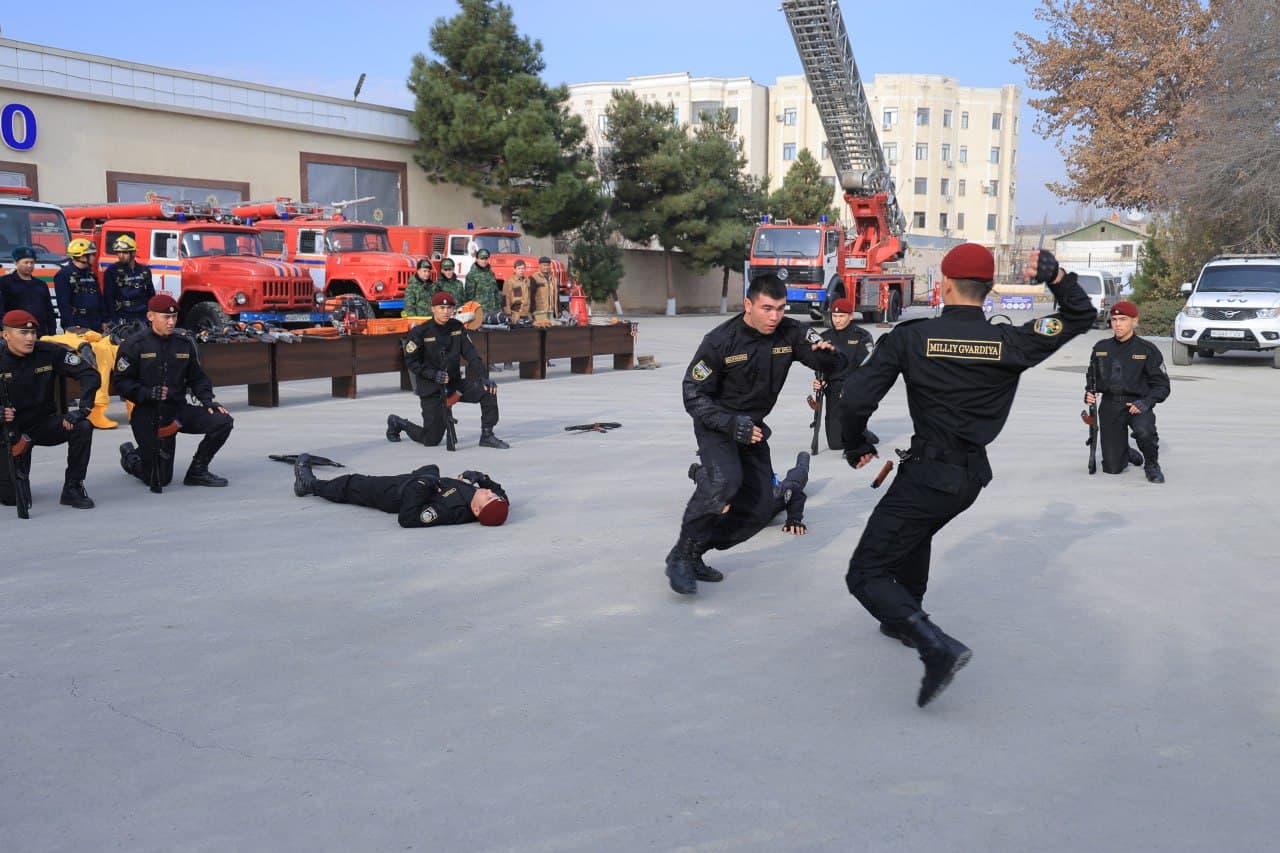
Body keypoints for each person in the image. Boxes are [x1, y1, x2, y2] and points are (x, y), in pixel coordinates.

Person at [837, 245, 1096, 708]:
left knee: (865, 573)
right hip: (969, 476)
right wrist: (1057, 280)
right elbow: (1079, 316)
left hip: (929, 474)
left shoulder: (911, 338)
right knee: (916, 532)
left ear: (945, 281)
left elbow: (855, 397)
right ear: (990, 288)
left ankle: (934, 645)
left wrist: (855, 443)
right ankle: (901, 617)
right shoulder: (1013, 342)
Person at [665, 273, 841, 595]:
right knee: (724, 482)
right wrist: (731, 424)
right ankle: (680, 555)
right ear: (748, 305)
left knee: (760, 509)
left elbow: (823, 359)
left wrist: (828, 356)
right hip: (717, 425)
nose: (774, 316)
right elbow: (692, 393)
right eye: (767, 308)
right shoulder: (720, 341)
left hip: (754, 428)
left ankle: (696, 551)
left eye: (781, 308)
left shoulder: (790, 332)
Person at [113, 293, 234, 488]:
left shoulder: (184, 343)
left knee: (223, 421)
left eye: (174, 317)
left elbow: (198, 377)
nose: (171, 322)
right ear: (151, 316)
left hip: (178, 411)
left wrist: (208, 400)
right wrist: (146, 393)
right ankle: (132, 458)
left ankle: (198, 471)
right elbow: (120, 382)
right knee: (159, 479)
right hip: (148, 413)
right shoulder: (134, 345)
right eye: (166, 317)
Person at [0, 309, 99, 509]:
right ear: (5, 335)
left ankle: (73, 488)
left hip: (42, 423)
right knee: (13, 499)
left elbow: (90, 374)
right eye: (23, 333)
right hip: (9, 429)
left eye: (32, 333)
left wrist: (83, 408)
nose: (29, 338)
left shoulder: (49, 352)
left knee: (82, 427)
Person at [386, 291, 509, 449]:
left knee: (488, 390)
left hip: (454, 385)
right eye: (441, 307)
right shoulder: (420, 332)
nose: (445, 311)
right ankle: (398, 423)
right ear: (433, 309)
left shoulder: (456, 327)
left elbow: (471, 353)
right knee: (431, 440)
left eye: (449, 308)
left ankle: (487, 435)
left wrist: (483, 376)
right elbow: (411, 362)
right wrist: (433, 375)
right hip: (432, 388)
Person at [292, 455, 510, 528]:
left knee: (353, 484)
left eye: (488, 496)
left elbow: (408, 518)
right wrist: (481, 478)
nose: (490, 492)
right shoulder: (484, 501)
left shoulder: (449, 510)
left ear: (476, 509)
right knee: (432, 467)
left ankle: (310, 485)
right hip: (423, 480)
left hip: (398, 494)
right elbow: (503, 498)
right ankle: (424, 475)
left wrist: (422, 484)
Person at [1085, 300, 1170, 483]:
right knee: (1112, 468)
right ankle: (1124, 450)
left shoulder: (1147, 350)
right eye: (1114, 319)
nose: (1117, 324)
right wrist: (1089, 392)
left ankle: (1152, 464)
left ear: (1134, 321)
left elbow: (1162, 386)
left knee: (1144, 431)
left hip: (1137, 404)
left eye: (1123, 319)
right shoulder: (1101, 348)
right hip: (1110, 405)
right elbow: (1092, 378)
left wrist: (1146, 402)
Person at [50, 238, 120, 429]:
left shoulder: (90, 274)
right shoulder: (63, 276)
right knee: (91, 364)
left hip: (95, 325)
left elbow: (98, 299)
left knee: (109, 358)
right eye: (90, 254)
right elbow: (64, 305)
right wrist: (71, 327)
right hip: (77, 327)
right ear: (81, 255)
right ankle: (93, 409)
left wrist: (106, 321)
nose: (93, 257)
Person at [690, 450, 811, 535]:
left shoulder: (775, 496)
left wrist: (794, 519)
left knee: (797, 480)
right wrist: (696, 471)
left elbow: (795, 492)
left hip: (768, 490)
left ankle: (803, 461)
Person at [813, 298, 875, 450]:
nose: (837, 320)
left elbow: (866, 367)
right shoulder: (825, 337)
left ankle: (860, 430)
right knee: (836, 444)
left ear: (851, 316)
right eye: (835, 316)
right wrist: (819, 381)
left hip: (854, 388)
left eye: (841, 316)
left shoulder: (861, 336)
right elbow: (819, 363)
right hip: (833, 389)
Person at [0, 246, 57, 336]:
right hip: (17, 332)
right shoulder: (4, 282)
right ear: (16, 263)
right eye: (26, 262)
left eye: (32, 262)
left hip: (40, 332)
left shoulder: (41, 284)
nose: (29, 266)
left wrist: (52, 332)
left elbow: (49, 311)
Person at [102, 235, 155, 325]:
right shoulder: (111, 271)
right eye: (118, 252)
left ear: (133, 253)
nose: (121, 256)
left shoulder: (144, 271)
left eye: (124, 252)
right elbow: (108, 299)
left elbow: (151, 294)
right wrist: (113, 320)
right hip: (123, 317)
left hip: (143, 316)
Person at [460, 248, 501, 317]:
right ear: (477, 259)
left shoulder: (491, 274)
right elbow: (469, 296)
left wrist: (499, 308)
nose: (484, 261)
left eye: (486, 259)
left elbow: (496, 292)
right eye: (481, 259)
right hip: (479, 312)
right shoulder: (472, 275)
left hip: (492, 311)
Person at [502, 259, 534, 323]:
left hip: (527, 314)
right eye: (519, 268)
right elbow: (505, 299)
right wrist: (508, 314)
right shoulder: (509, 281)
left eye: (523, 268)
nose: (521, 271)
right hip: (515, 315)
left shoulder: (527, 281)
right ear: (514, 269)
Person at [530, 256, 557, 322]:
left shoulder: (554, 278)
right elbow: (530, 297)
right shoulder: (533, 278)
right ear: (539, 265)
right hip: (540, 313)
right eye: (544, 265)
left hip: (551, 313)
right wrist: (532, 313)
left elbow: (556, 295)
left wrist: (558, 311)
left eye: (548, 265)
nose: (546, 267)